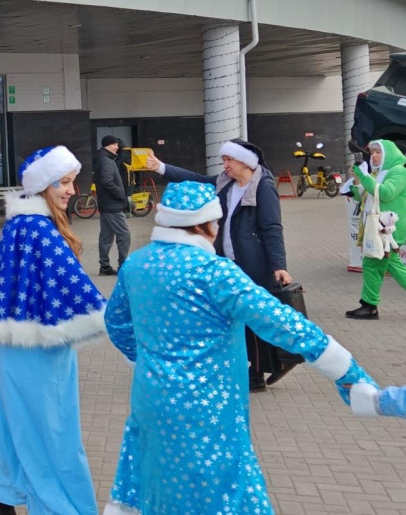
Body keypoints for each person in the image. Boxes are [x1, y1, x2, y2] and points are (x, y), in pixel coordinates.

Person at [103, 181, 376, 515]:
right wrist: (347, 372)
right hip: (209, 409)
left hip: (151, 399)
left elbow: (116, 323)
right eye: (216, 222)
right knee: (222, 496)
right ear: (203, 225)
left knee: (159, 485)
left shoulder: (136, 265)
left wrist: (147, 360)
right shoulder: (215, 273)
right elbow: (282, 323)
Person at [0, 146, 106, 515]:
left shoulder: (20, 223)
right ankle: (59, 508)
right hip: (38, 348)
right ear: (43, 185)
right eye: (63, 182)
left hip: (15, 343)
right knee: (52, 433)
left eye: (72, 181)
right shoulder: (38, 228)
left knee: (14, 425)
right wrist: (116, 318)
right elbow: (74, 284)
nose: (72, 190)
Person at [145, 140, 293, 392]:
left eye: (229, 160)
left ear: (245, 162)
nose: (225, 165)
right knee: (235, 316)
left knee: (250, 318)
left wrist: (279, 265)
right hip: (229, 261)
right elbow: (196, 179)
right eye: (224, 160)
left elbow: (271, 228)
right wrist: (161, 167)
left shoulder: (263, 187)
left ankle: (257, 374)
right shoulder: (226, 182)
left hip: (254, 264)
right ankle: (270, 362)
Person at [345, 139, 406, 319]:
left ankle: (369, 307)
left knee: (373, 265)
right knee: (388, 266)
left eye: (378, 152)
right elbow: (365, 196)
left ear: (389, 153)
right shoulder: (378, 172)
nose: (374, 156)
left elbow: (386, 193)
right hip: (381, 228)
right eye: (372, 152)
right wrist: (357, 181)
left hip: (388, 228)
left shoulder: (398, 171)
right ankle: (369, 306)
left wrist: (364, 176)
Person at [94, 135, 131, 276]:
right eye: (115, 144)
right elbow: (107, 181)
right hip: (112, 205)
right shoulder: (106, 161)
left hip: (106, 205)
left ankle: (104, 267)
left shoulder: (104, 159)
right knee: (124, 234)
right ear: (108, 145)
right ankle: (123, 265)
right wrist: (121, 194)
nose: (117, 147)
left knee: (106, 236)